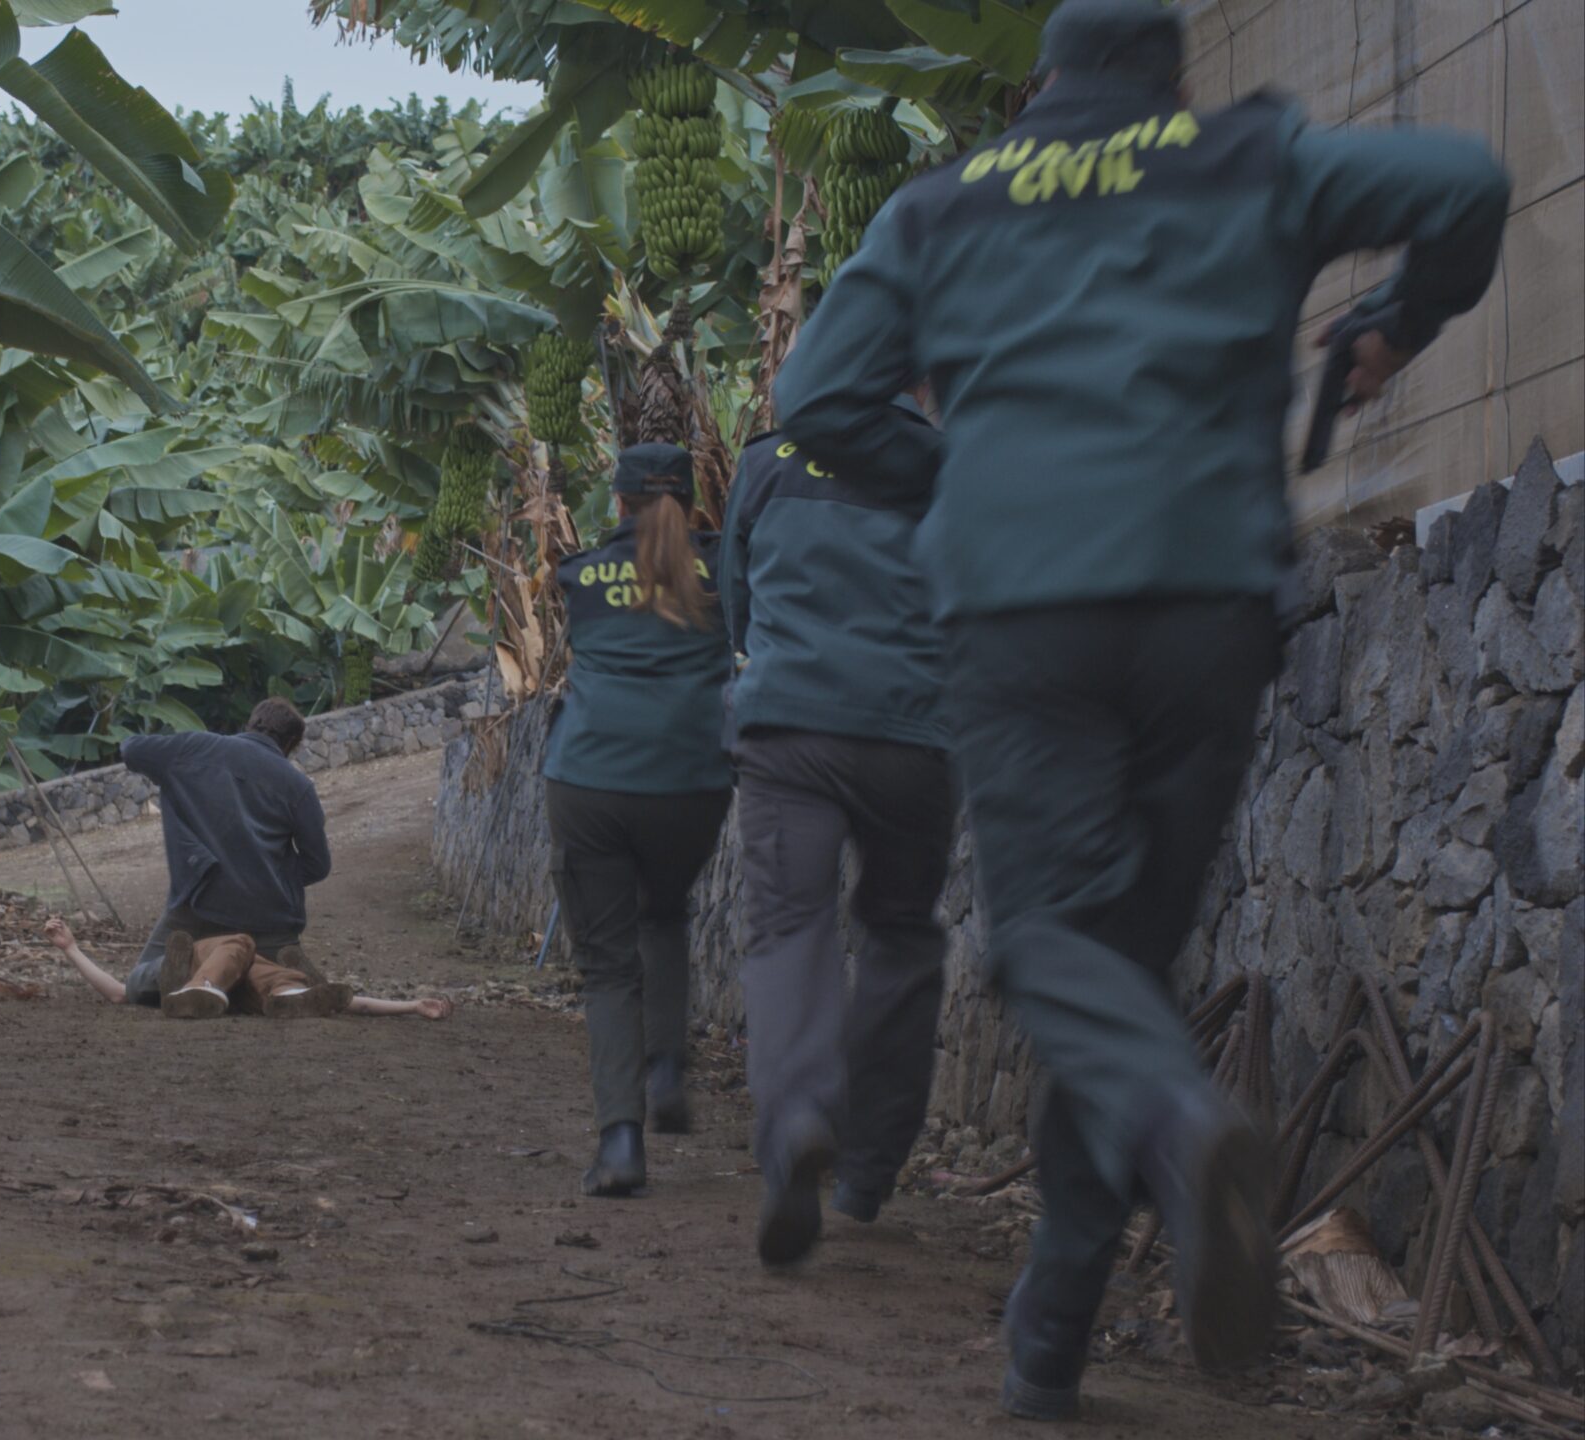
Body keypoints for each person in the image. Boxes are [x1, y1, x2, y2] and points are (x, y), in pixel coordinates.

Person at [773, 0, 1510, 1416]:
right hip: (1204, 603)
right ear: (1171, 79)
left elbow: (816, 398)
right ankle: (1047, 1336)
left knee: (1056, 951)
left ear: (1043, 82)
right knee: (1120, 979)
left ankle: (1182, 1133)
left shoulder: (943, 206)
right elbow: (1467, 184)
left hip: (1022, 614)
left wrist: (966, 484)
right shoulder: (1249, 156)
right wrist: (1393, 324)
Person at [720, 403, 954, 1267]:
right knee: (901, 933)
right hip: (913, 736)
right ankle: (867, 1169)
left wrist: (773, 664)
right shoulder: (943, 459)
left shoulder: (769, 462)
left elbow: (735, 599)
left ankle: (798, 1120)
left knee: (789, 929)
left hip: (790, 727)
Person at [542, 443, 734, 1198]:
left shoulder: (579, 576)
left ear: (618, 503)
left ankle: (621, 1145)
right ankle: (666, 1072)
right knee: (665, 913)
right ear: (691, 501)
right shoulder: (724, 569)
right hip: (690, 782)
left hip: (591, 779)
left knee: (608, 966)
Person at [117, 698, 347, 1020]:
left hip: (200, 903)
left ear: (250, 724)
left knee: (137, 984)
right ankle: (285, 981)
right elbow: (318, 865)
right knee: (271, 971)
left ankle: (192, 966)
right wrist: (272, 876)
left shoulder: (195, 749)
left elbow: (131, 750)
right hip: (272, 919)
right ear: (292, 743)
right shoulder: (299, 786)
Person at [42, 918, 453, 1020]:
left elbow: (347, 1002)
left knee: (267, 967)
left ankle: (286, 996)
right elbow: (119, 992)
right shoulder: (160, 966)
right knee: (243, 947)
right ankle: (200, 987)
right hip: (202, 973)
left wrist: (412, 1006)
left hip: (227, 990)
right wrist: (71, 949)